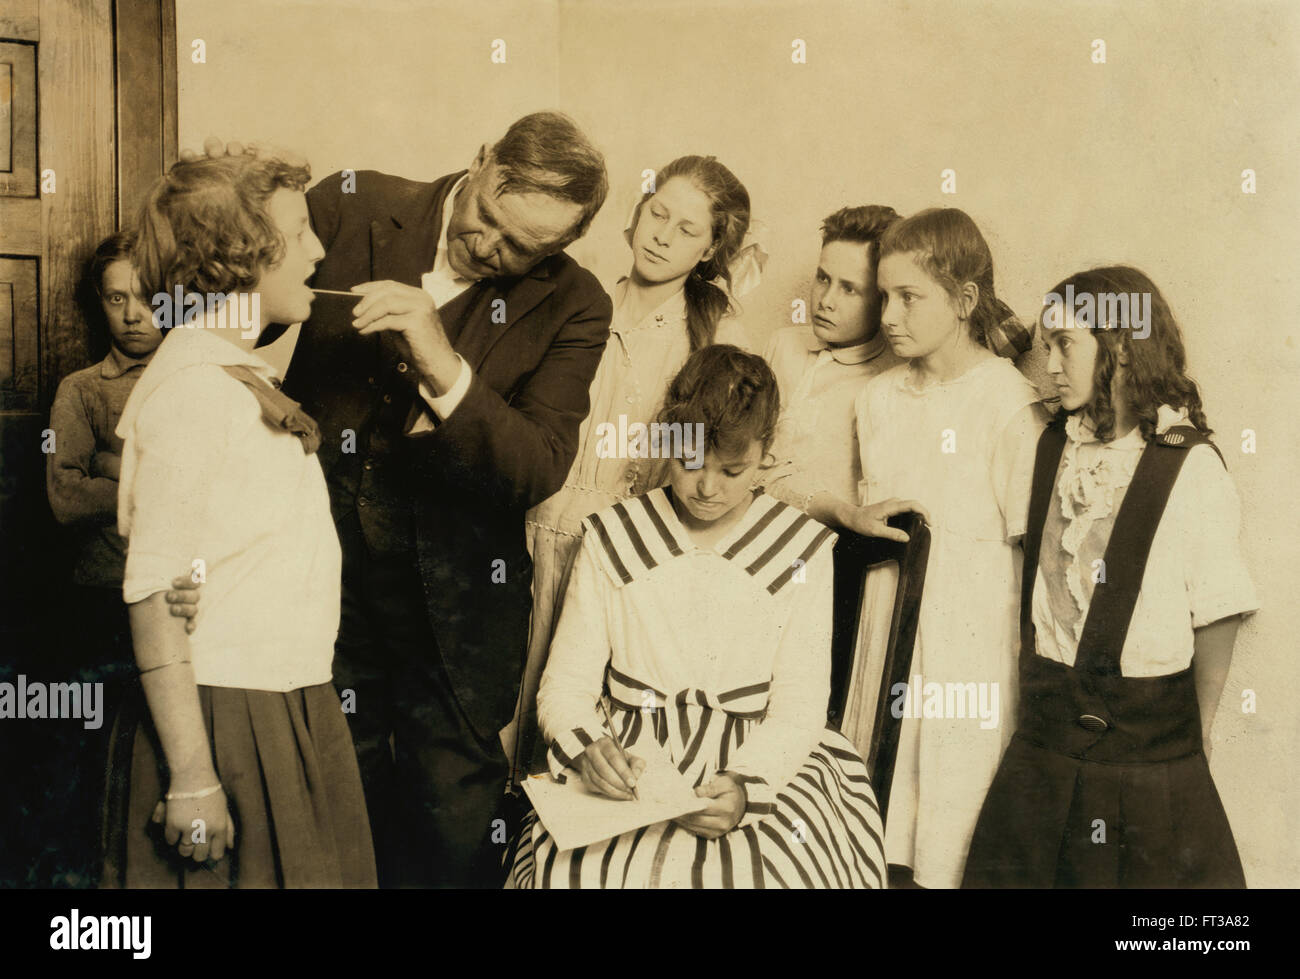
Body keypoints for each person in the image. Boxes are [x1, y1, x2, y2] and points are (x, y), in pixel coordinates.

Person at [177, 113, 615, 887]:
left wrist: (445, 368)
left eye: (525, 250)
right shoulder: (351, 203)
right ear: (480, 159)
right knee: (325, 828)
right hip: (315, 597)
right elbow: (226, 285)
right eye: (488, 222)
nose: (490, 250)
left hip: (457, 623)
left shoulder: (576, 303)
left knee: (450, 842)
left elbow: (539, 466)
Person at [512, 345, 886, 889]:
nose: (708, 488)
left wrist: (745, 786)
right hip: (630, 754)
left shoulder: (801, 548)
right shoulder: (612, 535)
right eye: (690, 464)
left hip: (759, 752)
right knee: (591, 873)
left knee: (771, 873)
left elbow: (800, 706)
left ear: (767, 452)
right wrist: (588, 747)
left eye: (732, 470)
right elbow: (565, 685)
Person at [102, 152, 376, 888]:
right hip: (225, 721)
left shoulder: (233, 378)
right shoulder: (193, 393)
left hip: (285, 705)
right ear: (237, 256)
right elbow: (154, 590)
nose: (319, 250)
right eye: (300, 231)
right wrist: (192, 778)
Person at [962, 266, 1258, 888]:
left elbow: (1219, 611)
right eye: (1046, 348)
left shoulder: (1189, 466)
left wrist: (1195, 738)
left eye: (1066, 345)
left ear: (1122, 348)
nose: (1050, 366)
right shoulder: (1049, 448)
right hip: (1043, 751)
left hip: (1148, 757)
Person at [513, 154, 759, 782]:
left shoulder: (710, 333)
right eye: (658, 214)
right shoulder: (577, 301)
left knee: (588, 725)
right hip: (529, 525)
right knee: (507, 707)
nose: (662, 236)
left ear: (710, 250)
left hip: (625, 552)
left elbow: (726, 455)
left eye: (687, 230)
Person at [842, 208, 1043, 888]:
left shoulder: (1008, 402)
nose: (889, 315)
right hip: (888, 630)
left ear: (964, 301)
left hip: (968, 649)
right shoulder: (876, 399)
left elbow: (1032, 561)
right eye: (884, 296)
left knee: (952, 829)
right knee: (876, 823)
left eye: (909, 297)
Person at [44, 231, 162, 883]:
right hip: (99, 604)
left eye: (146, 297)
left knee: (160, 763)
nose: (132, 312)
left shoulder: (196, 376)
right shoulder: (82, 388)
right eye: (116, 298)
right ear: (100, 304)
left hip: (177, 601)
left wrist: (110, 469)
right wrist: (147, 479)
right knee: (90, 766)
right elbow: (64, 494)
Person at [760, 204, 927, 541]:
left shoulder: (892, 382)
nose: (826, 300)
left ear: (883, 297)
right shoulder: (783, 344)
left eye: (849, 288)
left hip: (826, 552)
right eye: (823, 279)